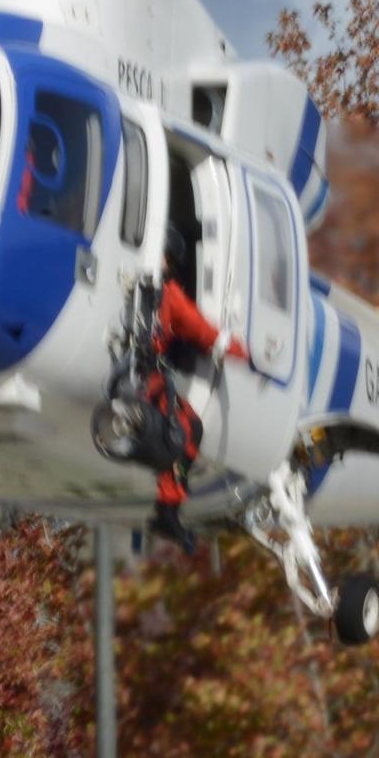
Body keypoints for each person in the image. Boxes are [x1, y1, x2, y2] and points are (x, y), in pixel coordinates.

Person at [145, 226, 250, 554]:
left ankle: (169, 509)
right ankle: (168, 509)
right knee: (187, 429)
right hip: (143, 380)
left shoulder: (130, 279)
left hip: (135, 373)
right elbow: (204, 332)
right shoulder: (168, 294)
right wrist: (242, 353)